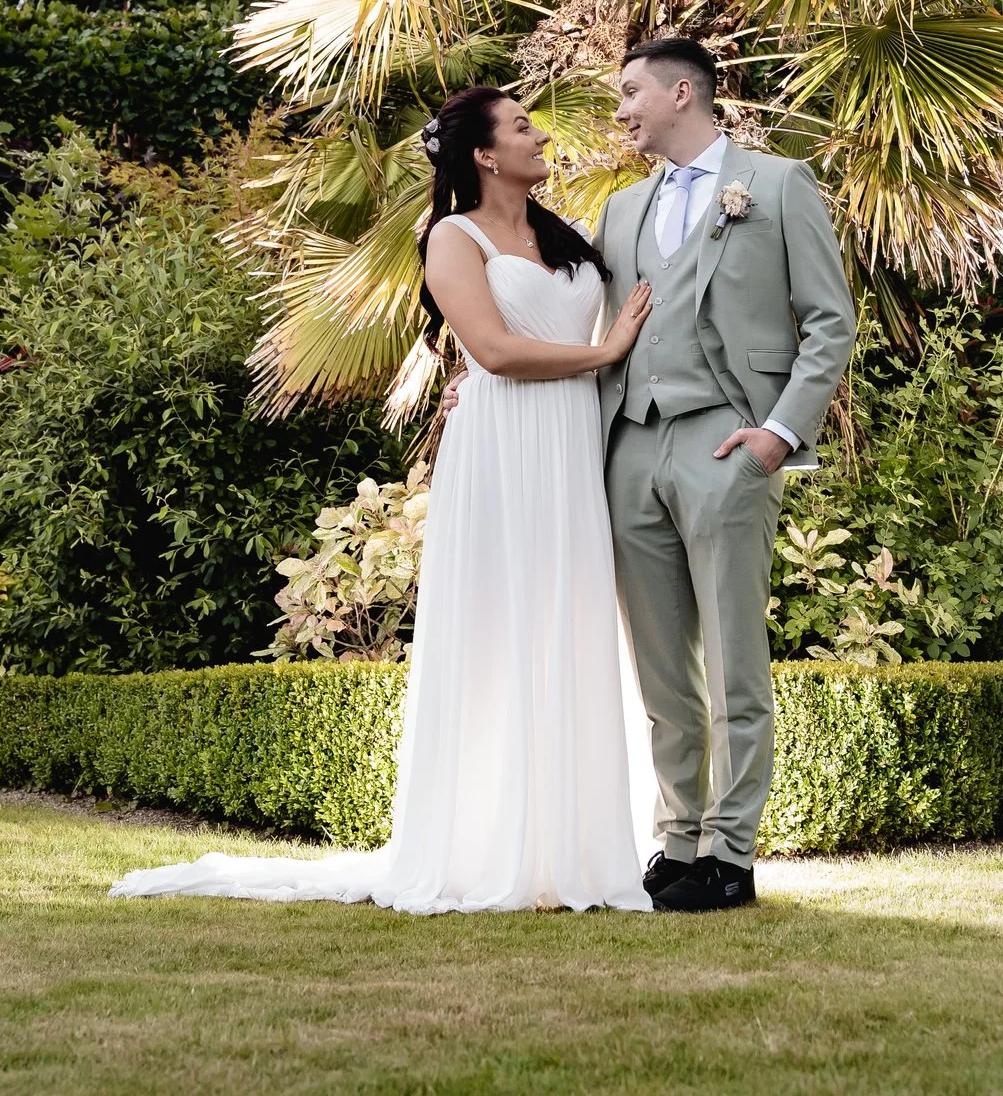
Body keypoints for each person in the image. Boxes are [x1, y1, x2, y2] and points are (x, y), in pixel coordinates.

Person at [109, 85, 658, 913]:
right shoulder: (451, 236)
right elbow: (496, 351)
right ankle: (493, 841)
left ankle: (575, 842)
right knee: (505, 625)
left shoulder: (563, 232)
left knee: (572, 618)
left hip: (574, 446)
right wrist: (606, 349)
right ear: (483, 153)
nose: (538, 134)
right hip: (506, 446)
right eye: (520, 126)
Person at [592, 37, 856, 911]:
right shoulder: (620, 209)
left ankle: (732, 852)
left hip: (726, 443)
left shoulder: (777, 185)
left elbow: (830, 322)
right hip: (632, 444)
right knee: (663, 665)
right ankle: (677, 839)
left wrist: (779, 434)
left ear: (681, 92)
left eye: (630, 92)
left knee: (737, 655)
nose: (621, 107)